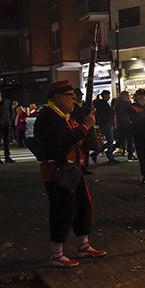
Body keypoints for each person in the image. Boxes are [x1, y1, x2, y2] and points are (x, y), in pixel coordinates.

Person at [34, 81, 107, 268]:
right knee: (62, 210)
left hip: (72, 169)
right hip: (57, 171)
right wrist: (84, 127)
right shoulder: (48, 117)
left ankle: (84, 245)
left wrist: (87, 128)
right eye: (69, 96)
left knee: (82, 207)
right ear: (57, 98)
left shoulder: (64, 116)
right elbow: (62, 142)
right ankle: (57, 254)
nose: (73, 100)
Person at [93, 90, 118, 164]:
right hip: (105, 123)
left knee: (110, 140)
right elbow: (108, 113)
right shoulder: (102, 104)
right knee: (110, 140)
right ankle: (108, 156)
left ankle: (106, 155)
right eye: (108, 95)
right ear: (104, 95)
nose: (109, 97)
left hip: (106, 123)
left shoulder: (102, 103)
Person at [114, 90, 137, 161]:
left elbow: (116, 114)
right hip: (126, 123)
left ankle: (110, 150)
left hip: (122, 123)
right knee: (129, 139)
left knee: (122, 140)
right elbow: (129, 112)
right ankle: (130, 154)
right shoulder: (126, 103)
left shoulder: (118, 103)